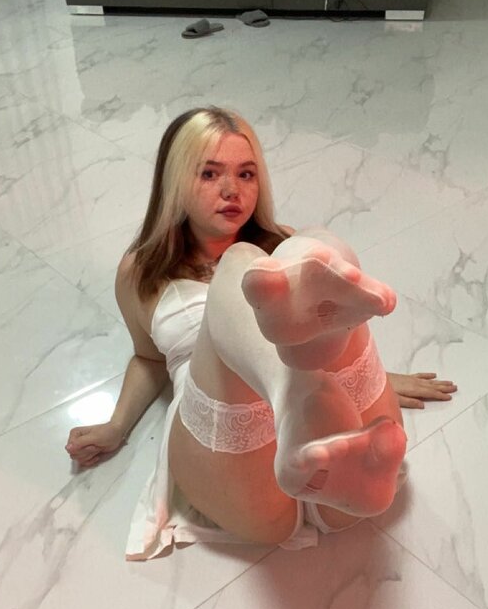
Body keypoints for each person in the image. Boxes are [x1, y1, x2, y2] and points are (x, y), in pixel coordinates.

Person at [65, 107, 457, 559]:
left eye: (246, 174)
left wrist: (371, 374)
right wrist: (117, 426)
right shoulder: (140, 272)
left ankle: (304, 406)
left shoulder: (287, 245)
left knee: (315, 243)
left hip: (334, 438)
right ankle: (293, 400)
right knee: (240, 266)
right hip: (228, 445)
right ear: (174, 181)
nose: (232, 190)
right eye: (209, 173)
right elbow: (149, 358)